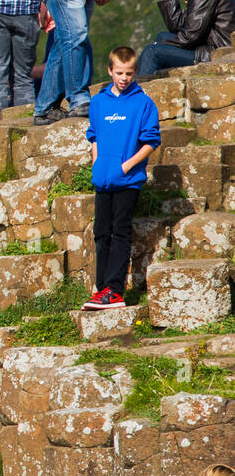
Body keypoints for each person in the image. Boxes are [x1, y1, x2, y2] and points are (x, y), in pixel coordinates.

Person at [82, 47, 160, 311]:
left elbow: (151, 141)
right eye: (119, 73)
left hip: (128, 181)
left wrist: (125, 166)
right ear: (109, 71)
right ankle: (101, 288)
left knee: (120, 233)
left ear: (135, 72)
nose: (124, 78)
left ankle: (115, 292)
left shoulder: (143, 103)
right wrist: (97, 163)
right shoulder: (99, 101)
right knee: (101, 232)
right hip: (103, 178)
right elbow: (94, 135)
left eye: (129, 73)